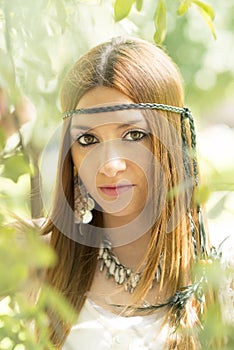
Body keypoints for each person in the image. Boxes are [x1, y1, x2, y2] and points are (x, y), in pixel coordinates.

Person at [41, 36, 231, 349]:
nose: (111, 165)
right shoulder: (39, 261)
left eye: (134, 134)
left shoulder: (221, 273)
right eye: (88, 140)